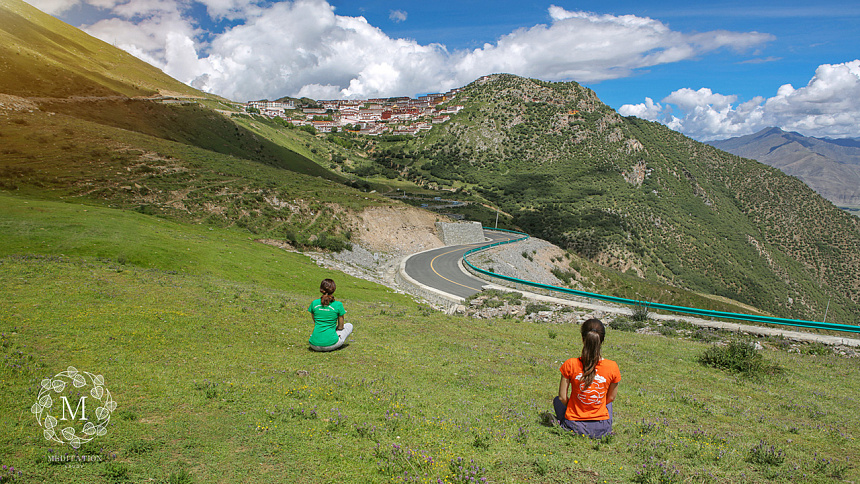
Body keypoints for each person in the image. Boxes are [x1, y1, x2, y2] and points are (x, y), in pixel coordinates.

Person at [553, 318, 620, 438]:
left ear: (583, 339)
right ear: (602, 340)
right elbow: (611, 397)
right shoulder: (612, 366)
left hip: (574, 426)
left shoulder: (570, 364)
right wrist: (594, 406)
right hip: (602, 428)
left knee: (557, 401)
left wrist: (576, 407)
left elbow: (562, 397)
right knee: (607, 403)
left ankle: (561, 423)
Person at [307, 279, 353, 352]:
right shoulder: (338, 304)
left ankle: (319, 337)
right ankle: (333, 339)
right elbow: (341, 327)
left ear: (321, 289)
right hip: (330, 345)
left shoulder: (314, 303)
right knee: (349, 325)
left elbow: (315, 321)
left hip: (313, 345)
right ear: (333, 289)